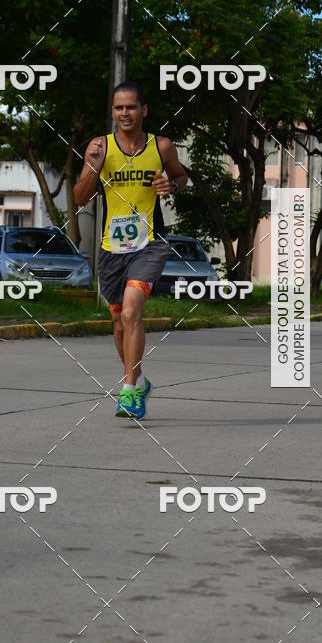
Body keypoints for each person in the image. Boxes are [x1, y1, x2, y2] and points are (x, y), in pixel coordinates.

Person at [74, 81, 187, 420]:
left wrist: (172, 185)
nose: (125, 113)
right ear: (113, 112)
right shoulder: (100, 148)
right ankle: (138, 380)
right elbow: (80, 198)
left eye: (131, 107)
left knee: (132, 311)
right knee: (119, 324)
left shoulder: (161, 146)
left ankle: (127, 393)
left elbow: (181, 177)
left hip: (149, 244)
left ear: (144, 110)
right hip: (111, 249)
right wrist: (93, 166)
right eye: (119, 107)